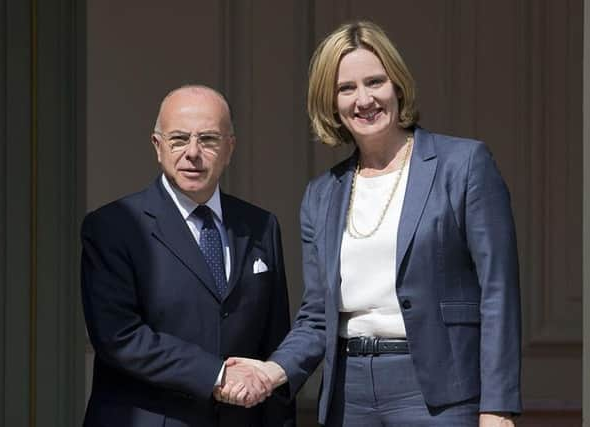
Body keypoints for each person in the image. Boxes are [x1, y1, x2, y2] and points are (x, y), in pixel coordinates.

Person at [219, 21, 521, 426]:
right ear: (331, 103)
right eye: (346, 89)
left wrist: (497, 408)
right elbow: (316, 316)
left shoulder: (463, 165)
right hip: (349, 393)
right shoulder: (321, 194)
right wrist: (273, 371)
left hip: (437, 392)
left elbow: (498, 292)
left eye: (374, 82)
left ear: (397, 85)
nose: (364, 99)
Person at [81, 85, 295, 427]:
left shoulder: (261, 225)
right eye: (179, 139)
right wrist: (217, 375)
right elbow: (118, 336)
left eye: (208, 139)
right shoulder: (113, 226)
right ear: (158, 146)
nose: (192, 152)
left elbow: (275, 338)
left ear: (229, 148)